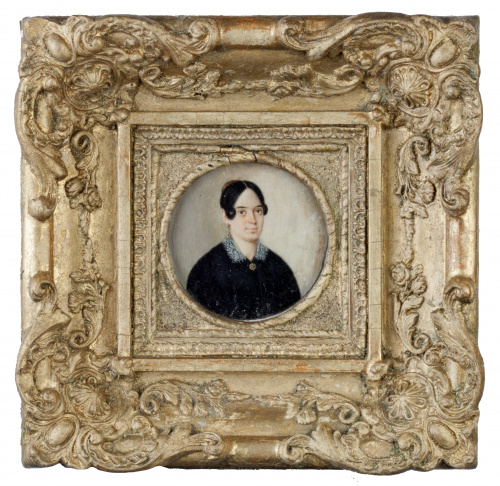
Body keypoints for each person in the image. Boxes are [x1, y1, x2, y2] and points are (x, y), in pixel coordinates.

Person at [186, 180, 301, 320]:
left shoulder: (279, 267)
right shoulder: (206, 270)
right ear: (226, 216)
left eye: (258, 211)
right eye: (242, 212)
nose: (253, 220)